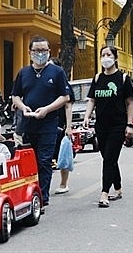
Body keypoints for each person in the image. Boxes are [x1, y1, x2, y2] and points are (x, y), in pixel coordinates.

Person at [11, 36, 69, 213]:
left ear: (49, 52)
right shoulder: (23, 73)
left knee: (44, 161)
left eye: (44, 50)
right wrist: (23, 107)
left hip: (48, 124)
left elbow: (65, 97)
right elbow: (15, 96)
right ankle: (30, 195)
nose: (41, 54)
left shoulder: (57, 72)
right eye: (37, 50)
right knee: (30, 162)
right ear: (30, 52)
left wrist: (47, 109)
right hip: (28, 124)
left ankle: (42, 198)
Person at [83, 45, 133, 208]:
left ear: (115, 58)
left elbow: (130, 102)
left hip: (118, 125)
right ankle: (118, 188)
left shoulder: (123, 78)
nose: (105, 57)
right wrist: (87, 116)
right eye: (103, 54)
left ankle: (104, 193)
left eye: (108, 54)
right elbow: (92, 99)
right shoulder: (98, 78)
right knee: (108, 157)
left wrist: (130, 124)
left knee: (109, 159)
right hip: (101, 125)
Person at [49, 57, 74, 195]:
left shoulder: (64, 85)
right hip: (45, 124)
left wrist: (68, 127)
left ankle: (64, 183)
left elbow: (68, 107)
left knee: (62, 155)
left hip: (60, 125)